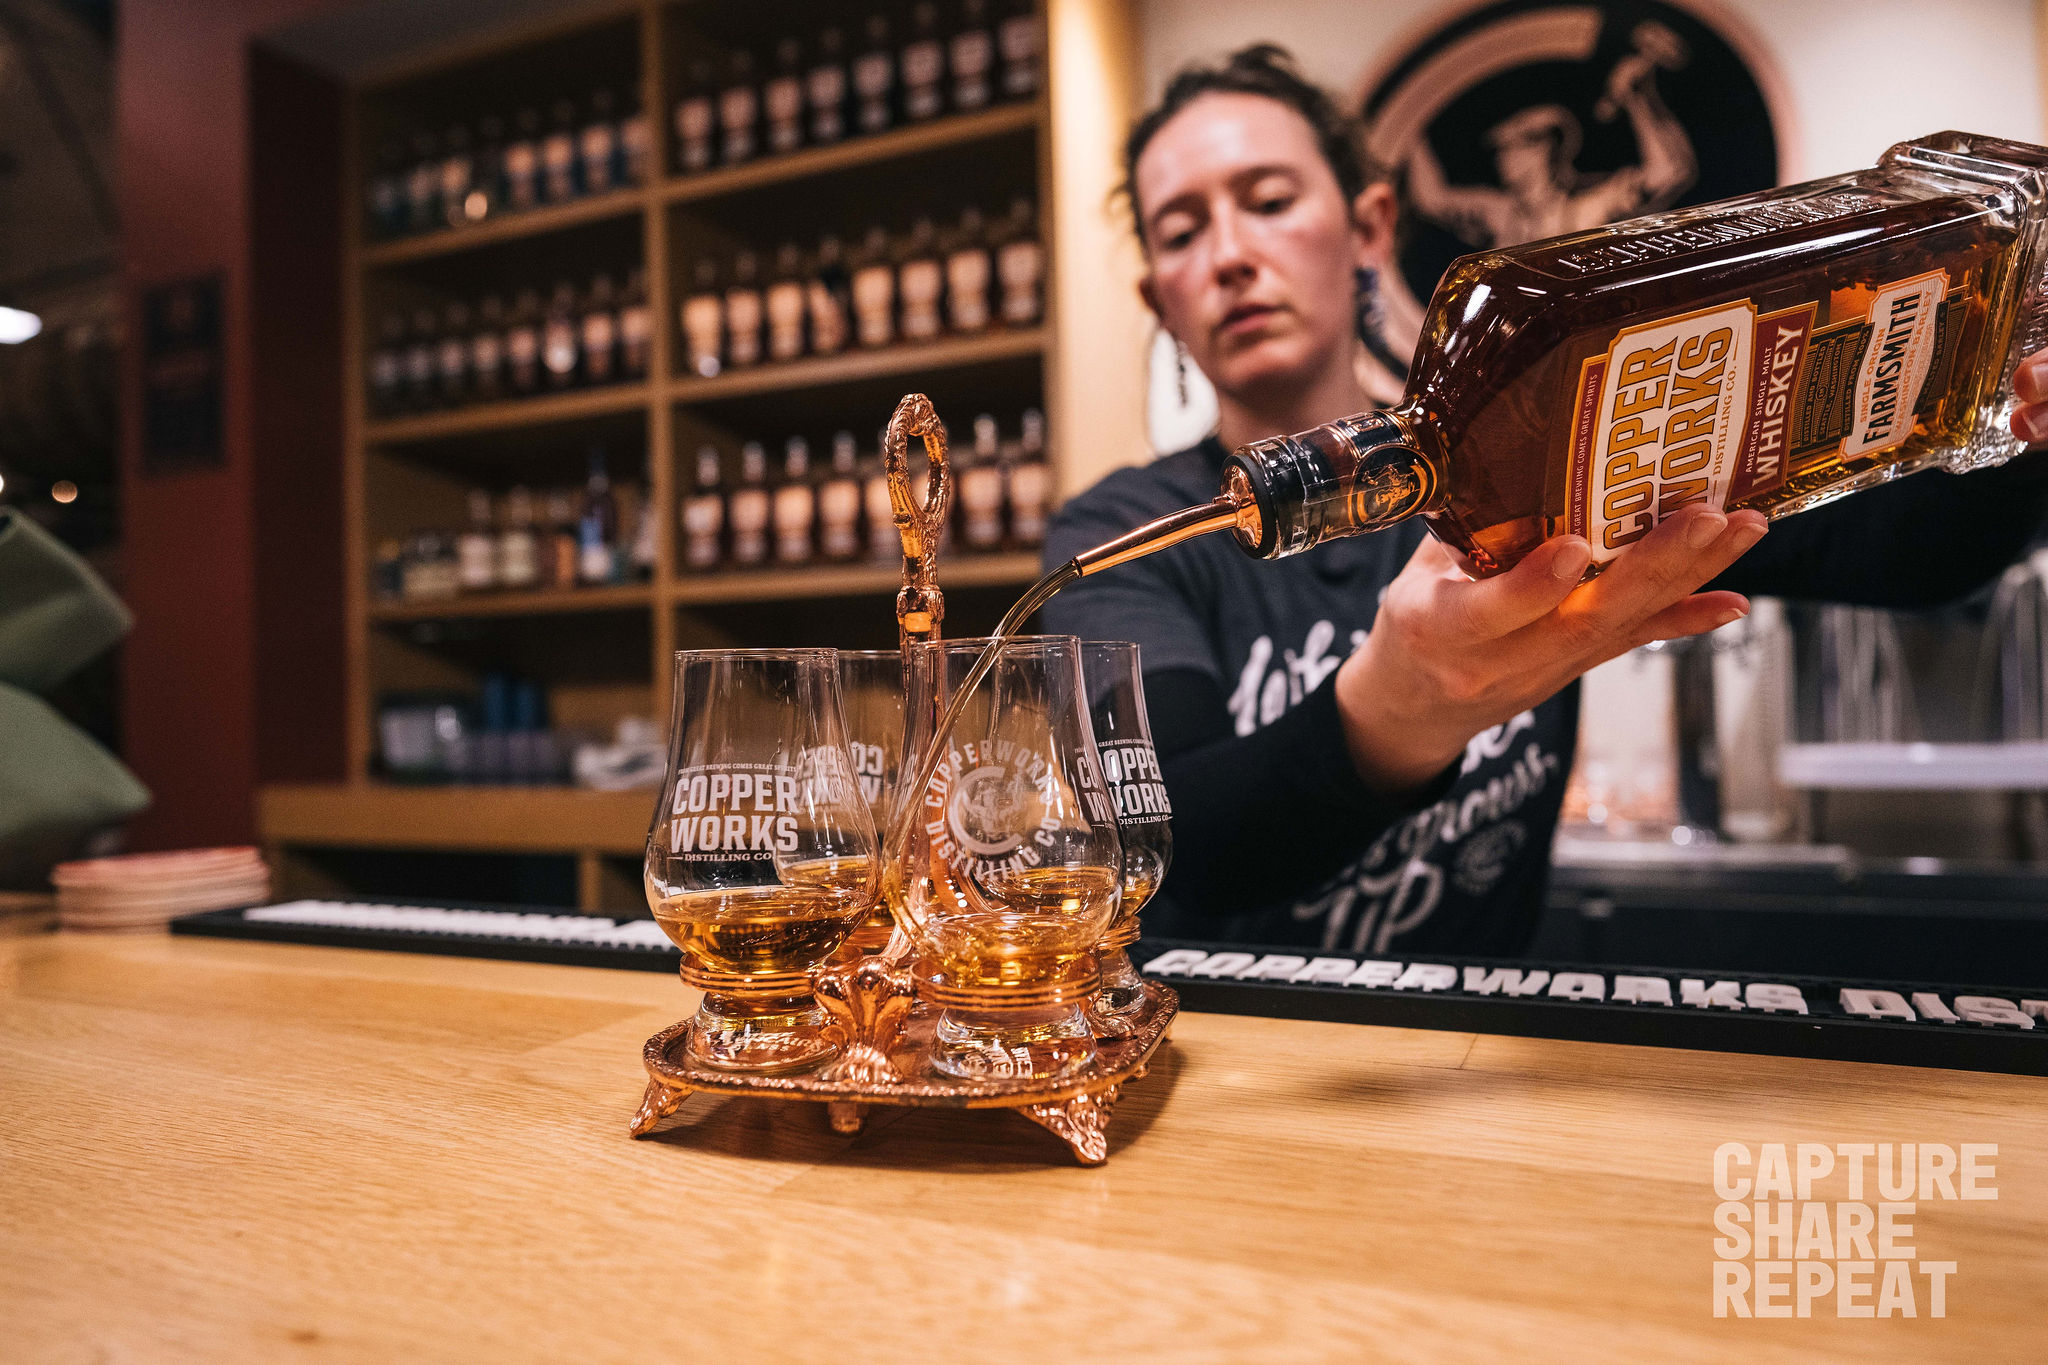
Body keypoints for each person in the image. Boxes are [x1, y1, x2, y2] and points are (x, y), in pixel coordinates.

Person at [1042, 45, 2048, 957]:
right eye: (1181, 231)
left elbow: (1918, 556)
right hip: (1240, 1067)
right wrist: (1396, 714)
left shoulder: (1547, 446)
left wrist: (2026, 415)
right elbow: (1172, 843)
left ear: (1369, 227)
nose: (1228, 254)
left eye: (1267, 199)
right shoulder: (1121, 534)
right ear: (1159, 300)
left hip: (1477, 1069)